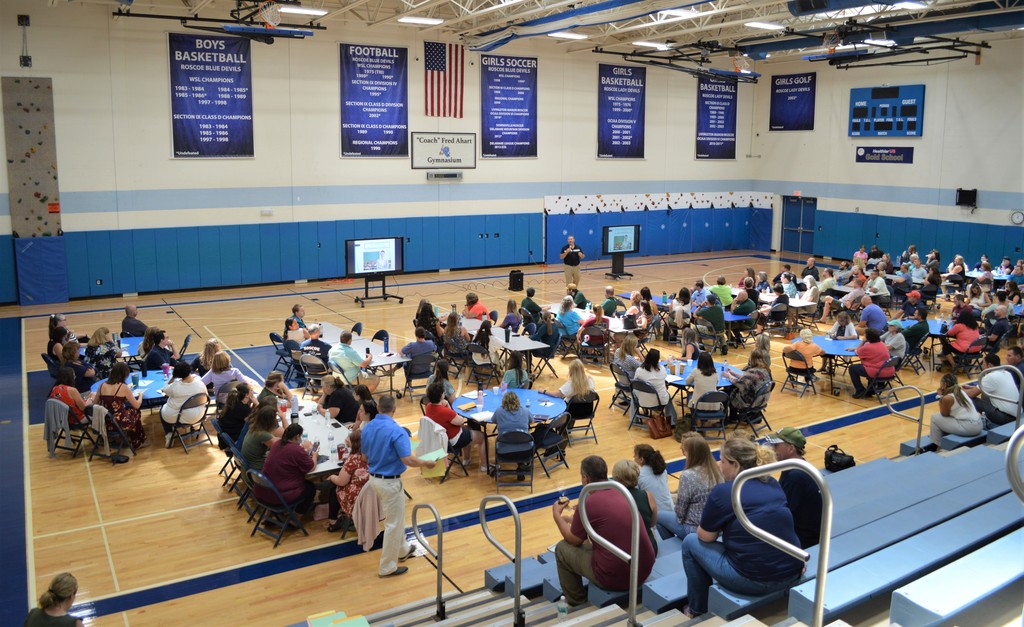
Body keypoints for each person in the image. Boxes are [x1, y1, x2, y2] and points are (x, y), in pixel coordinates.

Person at [680, 437, 803, 618]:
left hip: (755, 581)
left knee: (690, 542)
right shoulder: (772, 482)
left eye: (722, 461)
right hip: (793, 570)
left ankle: (697, 609)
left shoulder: (725, 491)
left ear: (736, 465)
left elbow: (705, 537)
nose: (719, 466)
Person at [551, 455, 655, 606]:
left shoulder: (587, 500)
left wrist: (557, 516)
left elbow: (573, 539)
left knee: (561, 548)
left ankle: (577, 602)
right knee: (592, 542)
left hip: (618, 577)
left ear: (585, 478)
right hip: (644, 568)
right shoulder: (622, 492)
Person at [362, 395, 437, 578]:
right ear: (394, 409)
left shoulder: (368, 427)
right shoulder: (397, 431)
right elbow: (408, 459)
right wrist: (426, 463)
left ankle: (402, 549)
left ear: (378, 408)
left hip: (374, 478)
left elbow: (364, 457)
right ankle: (387, 566)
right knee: (393, 524)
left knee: (397, 515)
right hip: (389, 481)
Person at [657, 433, 723, 540]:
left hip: (694, 529)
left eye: (685, 451)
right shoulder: (717, 470)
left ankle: (675, 544)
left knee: (658, 516)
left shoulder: (688, 475)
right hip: (716, 528)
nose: (683, 453)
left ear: (692, 454)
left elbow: (680, 513)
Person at [764, 427, 821, 548]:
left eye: (777, 446)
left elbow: (783, 514)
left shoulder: (795, 477)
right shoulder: (801, 465)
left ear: (790, 448)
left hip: (802, 541)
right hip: (807, 532)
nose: (773, 449)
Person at [254, 423, 316, 514]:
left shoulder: (276, 444)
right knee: (310, 488)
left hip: (262, 491)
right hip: (277, 497)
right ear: (297, 436)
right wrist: (314, 454)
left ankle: (269, 513)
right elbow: (311, 467)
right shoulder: (296, 450)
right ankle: (295, 519)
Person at [424, 381, 479, 465]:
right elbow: (461, 422)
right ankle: (484, 466)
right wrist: (448, 406)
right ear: (442, 395)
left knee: (467, 430)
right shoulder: (445, 412)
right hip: (451, 441)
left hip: (437, 441)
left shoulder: (428, 407)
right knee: (481, 437)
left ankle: (467, 459)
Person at [326, 429, 370, 532]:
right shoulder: (373, 454)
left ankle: (333, 522)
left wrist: (332, 476)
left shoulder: (353, 460)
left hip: (358, 496)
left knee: (334, 488)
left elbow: (341, 481)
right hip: (373, 494)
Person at [95, 362, 146, 451]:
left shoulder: (101, 385)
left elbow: (95, 403)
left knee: (128, 410)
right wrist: (141, 396)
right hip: (118, 422)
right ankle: (137, 441)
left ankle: (118, 438)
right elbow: (137, 405)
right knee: (136, 411)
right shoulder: (123, 387)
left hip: (104, 421)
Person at [611, 459, 659, 554]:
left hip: (625, 554)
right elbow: (653, 523)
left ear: (616, 478)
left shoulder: (611, 501)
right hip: (649, 549)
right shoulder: (648, 495)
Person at [159, 361, 209, 447]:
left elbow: (164, 389)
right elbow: (206, 397)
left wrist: (172, 378)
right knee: (186, 408)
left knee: (162, 410)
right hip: (198, 415)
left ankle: (169, 433)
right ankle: (190, 427)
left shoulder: (175, 386)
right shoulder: (200, 383)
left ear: (177, 375)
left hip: (179, 417)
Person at [930, 373, 984, 448]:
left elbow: (944, 414)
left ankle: (935, 445)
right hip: (979, 424)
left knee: (934, 417)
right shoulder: (960, 390)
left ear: (944, 385)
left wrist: (940, 397)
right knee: (951, 416)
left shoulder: (947, 398)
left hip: (970, 428)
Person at [964, 353, 1019, 426]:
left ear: (989, 365)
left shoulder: (990, 376)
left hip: (1004, 418)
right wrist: (971, 388)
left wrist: (957, 390)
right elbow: (991, 387)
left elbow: (972, 394)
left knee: (967, 397)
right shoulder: (1007, 373)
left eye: (983, 364)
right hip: (1017, 415)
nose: (983, 366)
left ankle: (969, 421)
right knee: (985, 392)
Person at [632, 348, 678, 424]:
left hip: (643, 401)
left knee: (634, 393)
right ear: (657, 360)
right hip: (660, 401)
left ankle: (633, 419)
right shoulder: (662, 369)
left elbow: (635, 383)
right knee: (667, 396)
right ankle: (672, 421)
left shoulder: (639, 370)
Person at [722, 349, 771, 418]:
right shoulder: (764, 370)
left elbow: (737, 382)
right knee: (733, 389)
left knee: (725, 394)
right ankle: (734, 416)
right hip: (761, 400)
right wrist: (733, 373)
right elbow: (746, 377)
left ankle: (726, 421)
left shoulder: (753, 372)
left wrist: (728, 375)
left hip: (749, 402)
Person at [849, 328, 896, 398]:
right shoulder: (882, 344)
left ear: (868, 337)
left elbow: (857, 351)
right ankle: (870, 390)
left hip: (878, 372)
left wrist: (863, 342)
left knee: (852, 368)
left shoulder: (868, 347)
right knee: (868, 365)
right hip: (889, 371)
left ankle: (860, 390)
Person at [241, 405, 284, 472]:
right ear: (271, 421)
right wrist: (283, 418)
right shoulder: (263, 435)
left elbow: (274, 439)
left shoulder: (254, 427)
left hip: (250, 465)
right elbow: (283, 447)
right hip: (258, 469)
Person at [634, 444, 673, 515]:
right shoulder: (663, 470)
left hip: (656, 515)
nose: (634, 457)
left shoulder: (638, 475)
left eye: (635, 455)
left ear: (641, 459)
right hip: (670, 509)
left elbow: (636, 498)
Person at [218, 382, 255, 446]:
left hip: (228, 434)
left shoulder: (234, 402)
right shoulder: (242, 408)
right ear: (246, 395)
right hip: (236, 438)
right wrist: (257, 404)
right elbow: (258, 418)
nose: (253, 391)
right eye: (251, 390)